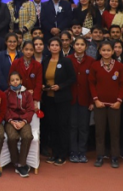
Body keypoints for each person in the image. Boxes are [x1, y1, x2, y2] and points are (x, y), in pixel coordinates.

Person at [89, 41, 123, 168]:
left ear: (113, 51)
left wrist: (119, 101)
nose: (106, 52)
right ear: (99, 51)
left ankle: (114, 156)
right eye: (103, 50)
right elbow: (91, 84)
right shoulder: (95, 66)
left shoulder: (119, 66)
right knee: (99, 131)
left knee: (115, 132)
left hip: (115, 104)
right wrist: (96, 100)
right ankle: (100, 156)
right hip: (99, 104)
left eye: (108, 50)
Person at [41, 36, 75, 165]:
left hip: (63, 98)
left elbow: (72, 78)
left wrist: (60, 86)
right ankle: (54, 153)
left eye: (57, 45)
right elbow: (43, 77)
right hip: (49, 98)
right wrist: (43, 85)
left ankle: (62, 155)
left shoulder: (66, 61)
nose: (54, 47)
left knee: (62, 126)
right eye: (52, 45)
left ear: (60, 47)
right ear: (48, 48)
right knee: (52, 127)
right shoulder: (45, 61)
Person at [5, 71, 36, 177]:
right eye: (12, 80)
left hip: (24, 121)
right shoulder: (6, 93)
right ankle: (16, 162)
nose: (15, 82)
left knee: (27, 136)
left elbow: (30, 110)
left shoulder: (27, 94)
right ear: (9, 82)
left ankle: (21, 163)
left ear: (21, 81)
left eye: (17, 80)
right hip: (11, 121)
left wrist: (23, 122)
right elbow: (5, 110)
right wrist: (11, 121)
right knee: (12, 137)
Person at [68, 37, 94, 163]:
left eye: (82, 44)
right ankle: (73, 151)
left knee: (84, 127)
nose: (79, 46)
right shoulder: (68, 60)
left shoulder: (91, 61)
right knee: (72, 126)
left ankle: (82, 152)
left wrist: (92, 101)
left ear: (86, 47)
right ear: (73, 46)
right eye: (77, 44)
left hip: (85, 99)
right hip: (71, 99)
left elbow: (93, 83)